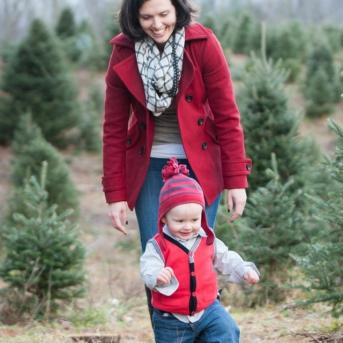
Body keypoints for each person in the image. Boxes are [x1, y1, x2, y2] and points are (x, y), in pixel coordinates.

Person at [102, 0, 251, 247]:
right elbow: (113, 129)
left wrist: (236, 180)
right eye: (147, 17)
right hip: (149, 166)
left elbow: (227, 116)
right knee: (157, 258)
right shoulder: (124, 50)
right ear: (134, 17)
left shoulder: (202, 44)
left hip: (201, 165)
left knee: (197, 256)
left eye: (164, 14)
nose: (157, 25)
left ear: (178, 10)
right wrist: (115, 195)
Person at [140, 158, 260, 343]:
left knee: (227, 330)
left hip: (208, 310)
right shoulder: (158, 245)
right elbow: (148, 265)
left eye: (194, 220)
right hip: (171, 318)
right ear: (164, 218)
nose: (188, 226)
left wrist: (244, 269)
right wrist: (156, 275)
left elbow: (225, 257)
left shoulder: (207, 239)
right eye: (179, 221)